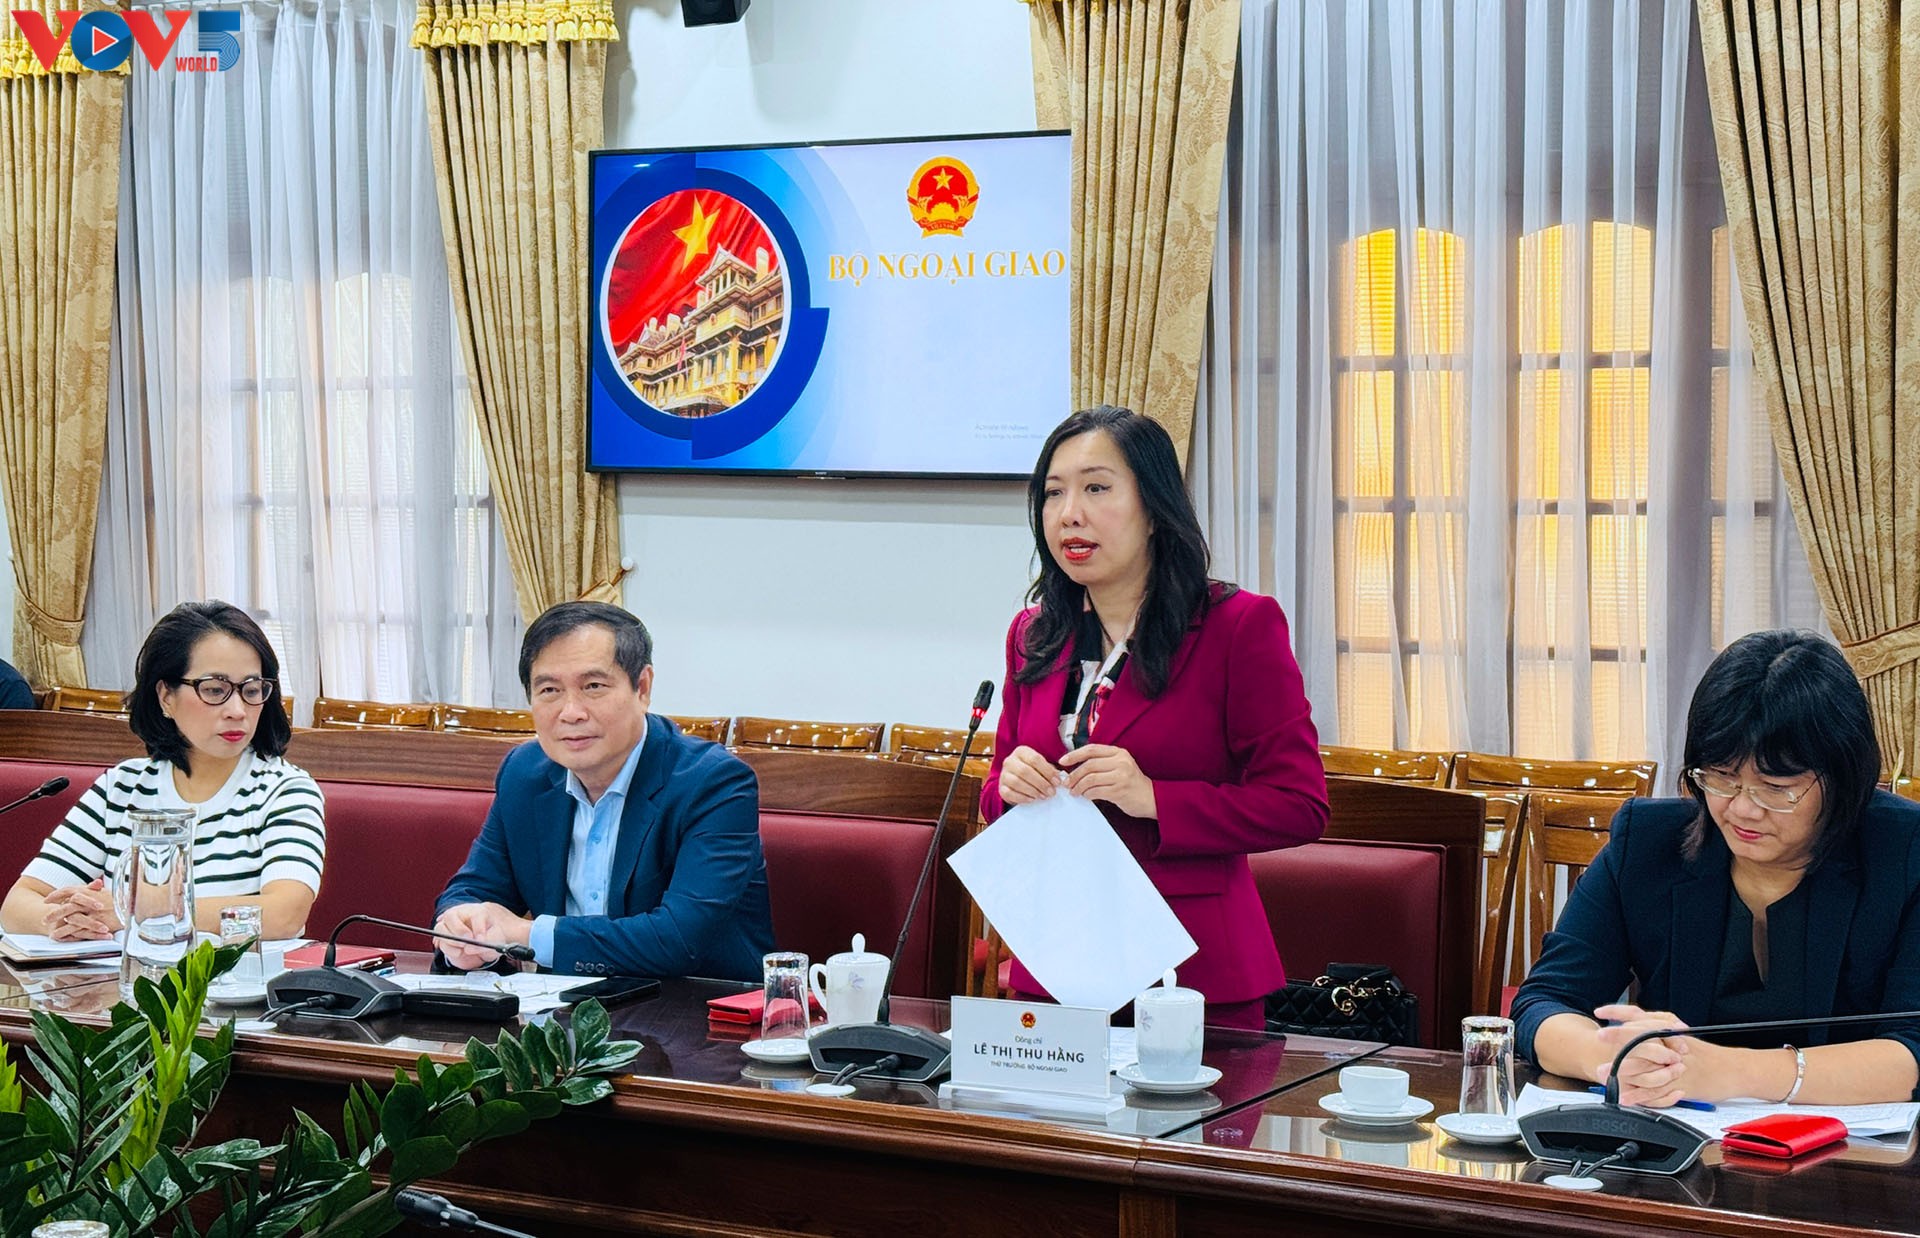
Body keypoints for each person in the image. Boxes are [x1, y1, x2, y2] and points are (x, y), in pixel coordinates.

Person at [980, 406, 1328, 1031]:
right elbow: (996, 792)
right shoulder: (1033, 635)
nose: (1069, 514)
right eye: (1053, 493)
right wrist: (1009, 788)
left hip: (1191, 975)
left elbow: (1299, 804)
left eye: (1096, 488)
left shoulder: (1237, 627)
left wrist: (1154, 798)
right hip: (1057, 965)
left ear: (1154, 507)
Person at [1514, 629, 1920, 1107]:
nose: (1742, 809)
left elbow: (1912, 1048)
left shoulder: (1905, 852)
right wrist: (1614, 1057)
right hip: (1679, 1141)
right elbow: (1543, 1003)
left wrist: (1732, 1072)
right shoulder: (1646, 843)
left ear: (1843, 778)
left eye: (1775, 788)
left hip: (1850, 1149)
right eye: (1721, 778)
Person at [433, 601, 773, 981]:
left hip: (695, 1007)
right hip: (560, 1008)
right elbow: (474, 888)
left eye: (593, 686)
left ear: (642, 688)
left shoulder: (713, 783)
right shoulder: (524, 774)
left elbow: (678, 938)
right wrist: (462, 928)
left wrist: (524, 934)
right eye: (549, 690)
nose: (571, 712)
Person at [0, 601, 325, 941]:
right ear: (166, 696)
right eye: (215, 690)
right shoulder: (121, 787)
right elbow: (19, 903)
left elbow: (284, 914)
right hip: (115, 975)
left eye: (251, 690)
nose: (237, 710)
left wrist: (134, 908)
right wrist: (67, 921)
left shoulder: (285, 790)